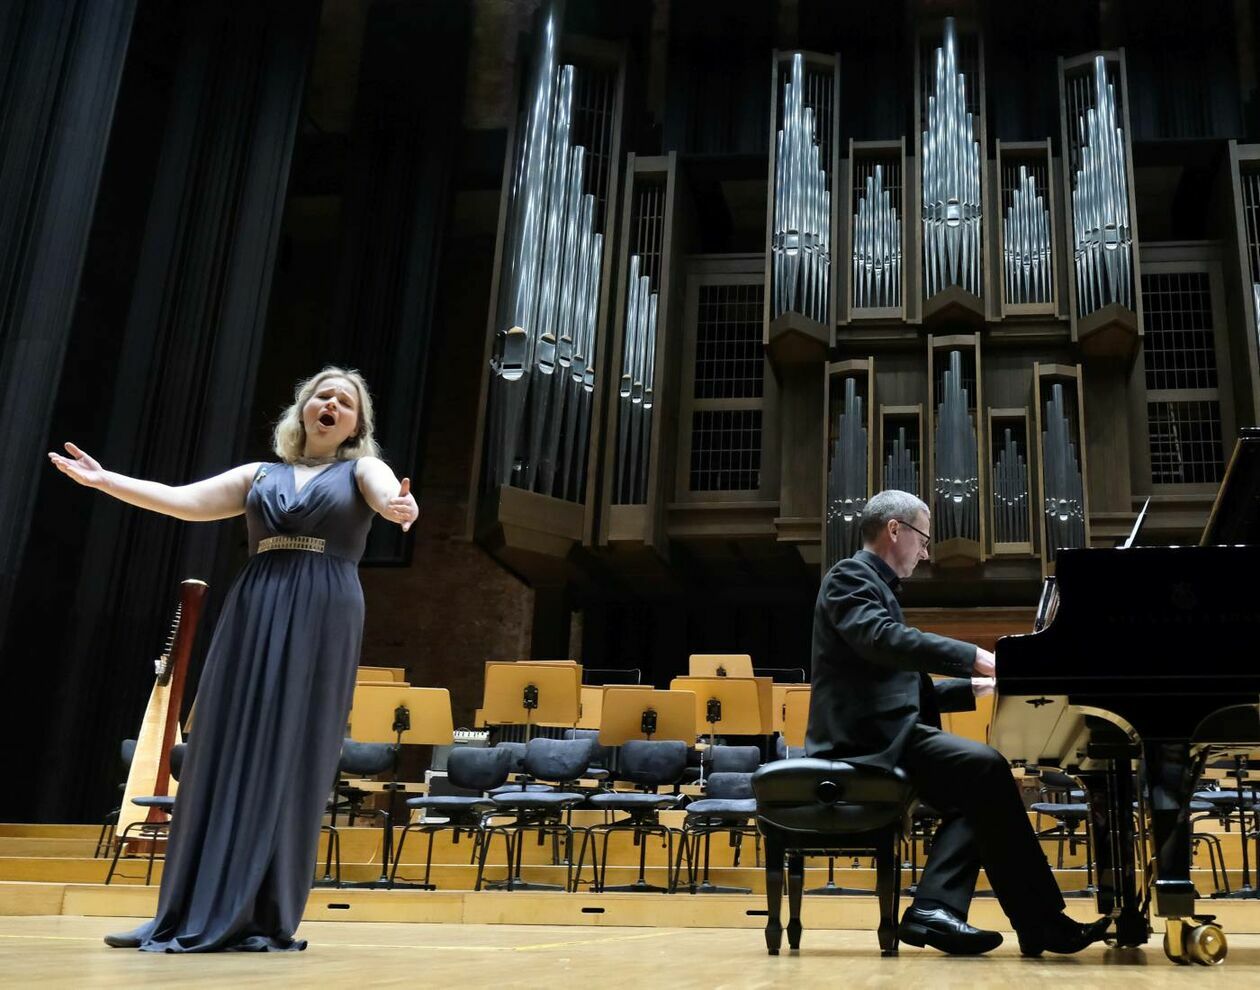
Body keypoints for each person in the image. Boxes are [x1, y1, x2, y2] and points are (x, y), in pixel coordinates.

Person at [49, 367, 418, 952]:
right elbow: (181, 501)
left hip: (323, 607)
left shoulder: (361, 469)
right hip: (256, 601)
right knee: (223, 745)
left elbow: (387, 494)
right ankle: (186, 908)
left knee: (290, 749)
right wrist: (104, 481)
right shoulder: (259, 474)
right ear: (303, 410)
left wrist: (402, 508)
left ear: (355, 424)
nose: (331, 405)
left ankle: (259, 907)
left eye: (345, 403)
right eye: (322, 396)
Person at [806, 489, 1108, 957]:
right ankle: (1039, 922)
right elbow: (882, 640)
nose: (926, 554)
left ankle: (941, 911)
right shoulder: (849, 577)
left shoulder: (872, 585)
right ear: (895, 531)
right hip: (860, 740)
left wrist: (972, 690)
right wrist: (974, 658)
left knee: (982, 790)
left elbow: (893, 679)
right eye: (924, 540)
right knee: (986, 768)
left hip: (882, 732)